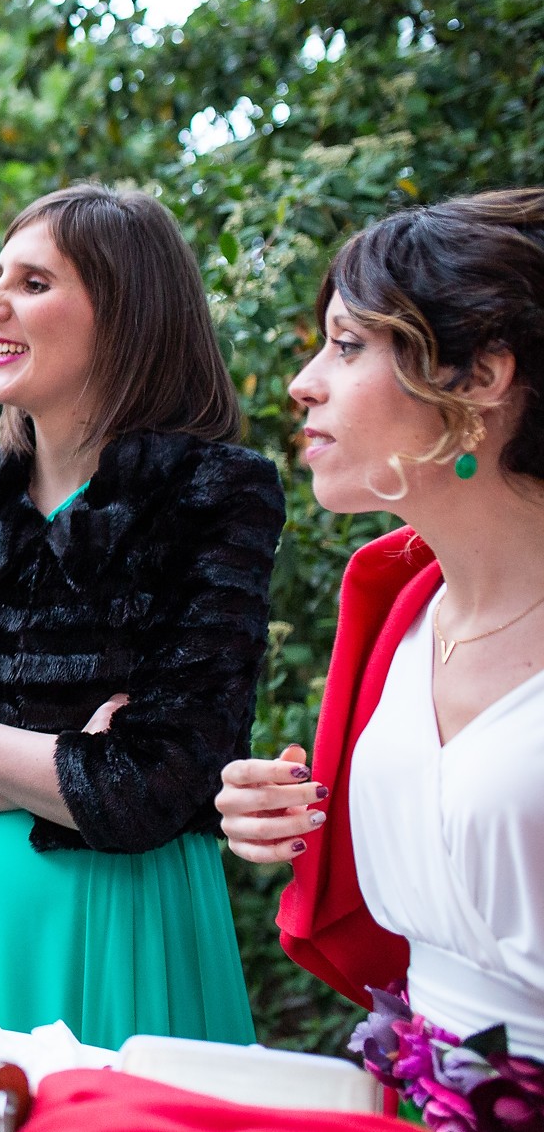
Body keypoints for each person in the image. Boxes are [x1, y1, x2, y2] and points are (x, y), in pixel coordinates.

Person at [0, 183, 285, 1049]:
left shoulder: (212, 494)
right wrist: (66, 765)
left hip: (118, 933)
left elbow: (151, 787)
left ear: (126, 315)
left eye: (33, 282)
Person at [218, 191, 544, 1074]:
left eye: (349, 344)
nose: (303, 382)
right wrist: (297, 811)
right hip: (406, 1084)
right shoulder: (401, 612)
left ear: (479, 377)